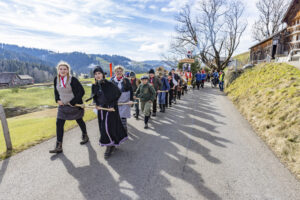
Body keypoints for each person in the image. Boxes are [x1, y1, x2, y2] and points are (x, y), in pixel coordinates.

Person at [50, 61, 88, 154]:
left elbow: (81, 92)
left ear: (68, 70)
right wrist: (57, 99)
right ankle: (59, 146)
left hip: (74, 105)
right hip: (62, 106)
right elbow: (56, 91)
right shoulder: (56, 79)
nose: (62, 70)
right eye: (61, 69)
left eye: (65, 69)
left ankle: (85, 135)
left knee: (79, 120)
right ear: (58, 70)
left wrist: (72, 102)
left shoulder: (73, 79)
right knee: (59, 123)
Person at [91, 66, 128, 158]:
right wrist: (96, 104)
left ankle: (109, 146)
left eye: (99, 73)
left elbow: (118, 93)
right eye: (95, 74)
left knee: (107, 127)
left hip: (110, 110)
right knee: (103, 127)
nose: (97, 75)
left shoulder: (109, 84)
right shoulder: (94, 86)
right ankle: (111, 143)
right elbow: (95, 97)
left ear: (103, 74)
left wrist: (112, 105)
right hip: (101, 110)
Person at [111, 65, 134, 133]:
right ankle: (118, 130)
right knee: (116, 117)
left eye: (120, 71)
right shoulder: (112, 81)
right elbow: (110, 92)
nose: (119, 72)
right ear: (115, 72)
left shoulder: (126, 80)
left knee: (123, 117)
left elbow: (131, 90)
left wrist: (131, 100)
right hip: (116, 102)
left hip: (125, 102)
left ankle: (124, 130)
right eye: (117, 71)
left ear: (122, 72)